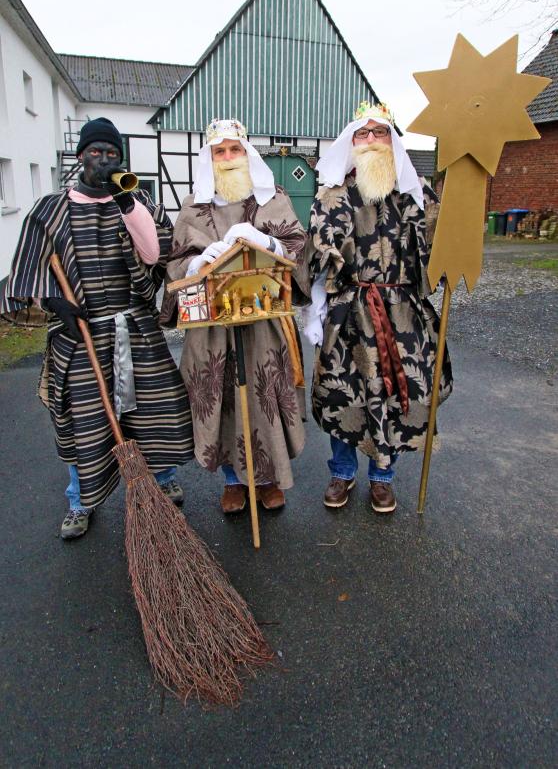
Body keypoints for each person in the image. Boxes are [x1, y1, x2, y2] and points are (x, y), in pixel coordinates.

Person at [1, 117, 193, 538]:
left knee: (153, 409)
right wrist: (53, 302)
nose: (103, 159)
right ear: (80, 155)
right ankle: (79, 500)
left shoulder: (137, 200)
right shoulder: (49, 210)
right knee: (81, 418)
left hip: (135, 329)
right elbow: (27, 269)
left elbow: (155, 253)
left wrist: (127, 205)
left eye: (111, 153)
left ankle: (161, 480)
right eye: (95, 151)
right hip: (79, 334)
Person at [303, 102, 452, 513]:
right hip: (348, 313)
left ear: (393, 141)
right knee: (344, 395)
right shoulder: (331, 195)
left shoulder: (416, 196)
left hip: (402, 312)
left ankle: (383, 477)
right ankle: (343, 471)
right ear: (351, 144)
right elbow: (315, 256)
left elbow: (440, 256)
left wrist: (451, 224)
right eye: (362, 135)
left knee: (397, 396)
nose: (371, 141)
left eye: (380, 133)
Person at [162, 118, 307, 514]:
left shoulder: (271, 198)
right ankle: (233, 482)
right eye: (219, 151)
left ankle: (267, 480)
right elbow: (174, 263)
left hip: (263, 322)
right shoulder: (194, 207)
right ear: (209, 157)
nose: (227, 158)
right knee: (223, 399)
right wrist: (196, 264)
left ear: (247, 154)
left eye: (235, 149)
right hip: (213, 329)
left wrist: (270, 241)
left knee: (264, 399)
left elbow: (298, 248)